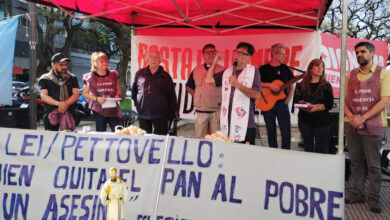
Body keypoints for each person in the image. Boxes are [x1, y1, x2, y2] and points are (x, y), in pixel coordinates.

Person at [344, 41, 390, 213]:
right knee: (355, 161)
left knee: (373, 164)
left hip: (374, 124)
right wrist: (353, 118)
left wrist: (362, 118)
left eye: (363, 51)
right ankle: (357, 193)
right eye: (357, 52)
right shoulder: (350, 75)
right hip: (351, 124)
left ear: (372, 53)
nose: (359, 54)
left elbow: (385, 101)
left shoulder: (383, 74)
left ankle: (374, 198)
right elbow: (345, 100)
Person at [205, 42, 261, 145]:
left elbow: (257, 95)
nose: (237, 55)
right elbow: (208, 79)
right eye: (236, 52)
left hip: (246, 124)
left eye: (241, 53)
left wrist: (237, 85)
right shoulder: (227, 72)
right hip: (227, 123)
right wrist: (216, 59)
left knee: (244, 157)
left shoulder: (253, 71)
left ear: (248, 58)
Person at [131, 50, 178, 135]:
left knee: (160, 141)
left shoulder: (166, 76)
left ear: (160, 60)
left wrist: (171, 114)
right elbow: (134, 92)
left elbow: (172, 96)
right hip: (143, 115)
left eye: (156, 57)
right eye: (151, 57)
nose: (153, 59)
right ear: (147, 60)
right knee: (144, 141)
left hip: (161, 115)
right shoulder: (140, 74)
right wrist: (138, 106)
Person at [293, 59, 334, 153]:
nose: (320, 68)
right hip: (305, 121)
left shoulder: (326, 85)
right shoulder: (301, 85)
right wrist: (306, 106)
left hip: (322, 122)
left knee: (322, 148)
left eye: (322, 66)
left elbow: (330, 104)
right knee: (308, 148)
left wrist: (316, 107)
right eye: (317, 65)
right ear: (310, 68)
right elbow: (296, 102)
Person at [259, 43, 294, 149]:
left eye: (285, 54)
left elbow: (292, 86)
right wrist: (270, 85)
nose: (285, 57)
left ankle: (286, 152)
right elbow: (257, 84)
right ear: (274, 54)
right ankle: (273, 152)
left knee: (286, 130)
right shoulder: (263, 68)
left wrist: (287, 100)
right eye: (282, 54)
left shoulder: (285, 69)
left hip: (282, 103)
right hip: (267, 103)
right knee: (271, 130)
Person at [186, 44, 225, 138]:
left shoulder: (223, 70)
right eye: (208, 52)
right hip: (201, 111)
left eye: (213, 52)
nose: (211, 54)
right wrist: (198, 96)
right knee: (200, 138)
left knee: (217, 139)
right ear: (203, 55)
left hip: (217, 111)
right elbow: (189, 86)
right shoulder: (196, 70)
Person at [39, 53, 79, 131]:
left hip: (69, 111)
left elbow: (76, 94)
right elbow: (44, 96)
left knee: (68, 139)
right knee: (50, 139)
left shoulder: (72, 78)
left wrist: (65, 104)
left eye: (65, 64)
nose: (64, 67)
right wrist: (59, 104)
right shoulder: (45, 78)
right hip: (51, 113)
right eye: (61, 65)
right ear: (53, 65)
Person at [82, 52, 121, 132]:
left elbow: (118, 90)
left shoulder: (114, 74)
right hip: (98, 111)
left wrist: (117, 95)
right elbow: (84, 94)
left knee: (119, 133)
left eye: (106, 60)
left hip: (113, 109)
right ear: (94, 63)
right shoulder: (89, 77)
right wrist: (96, 99)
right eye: (101, 61)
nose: (105, 63)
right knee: (100, 134)